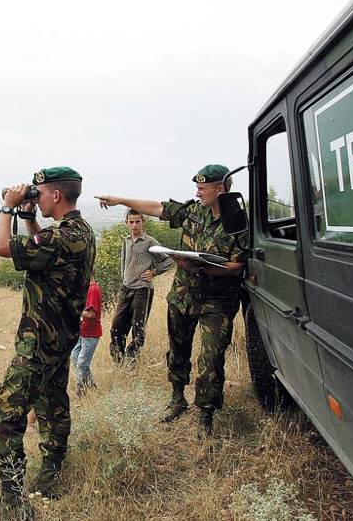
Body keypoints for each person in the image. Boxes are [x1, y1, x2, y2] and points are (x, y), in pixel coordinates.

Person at [96, 164, 248, 440]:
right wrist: (120, 199)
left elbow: (238, 264)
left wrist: (204, 268)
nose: (198, 192)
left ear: (220, 189)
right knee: (178, 348)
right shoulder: (193, 211)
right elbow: (157, 208)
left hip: (218, 299)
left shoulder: (238, 222)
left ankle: (206, 415)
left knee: (211, 357)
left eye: (203, 188)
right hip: (183, 294)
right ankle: (178, 398)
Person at [0, 166, 96, 520]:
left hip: (38, 341)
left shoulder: (59, 239)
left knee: (4, 413)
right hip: (61, 337)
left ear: (54, 195)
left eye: (39, 192)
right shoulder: (81, 231)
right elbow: (43, 251)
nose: (35, 196)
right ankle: (51, 468)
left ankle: (13, 501)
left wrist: (8, 207)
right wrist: (29, 218)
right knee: (52, 401)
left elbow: (2, 247)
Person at [109, 209, 173, 365]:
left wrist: (154, 272)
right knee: (116, 327)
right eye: (131, 222)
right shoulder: (126, 241)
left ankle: (132, 362)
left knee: (138, 328)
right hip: (126, 289)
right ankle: (119, 361)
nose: (134, 225)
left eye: (137, 221)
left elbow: (168, 259)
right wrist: (123, 282)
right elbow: (123, 264)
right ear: (126, 223)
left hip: (143, 290)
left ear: (143, 222)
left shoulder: (149, 241)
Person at [71, 278, 102, 396]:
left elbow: (91, 314)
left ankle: (80, 392)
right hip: (82, 332)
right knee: (75, 357)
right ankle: (92, 386)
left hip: (91, 333)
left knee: (82, 363)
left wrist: (75, 310)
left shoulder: (93, 289)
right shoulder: (85, 289)